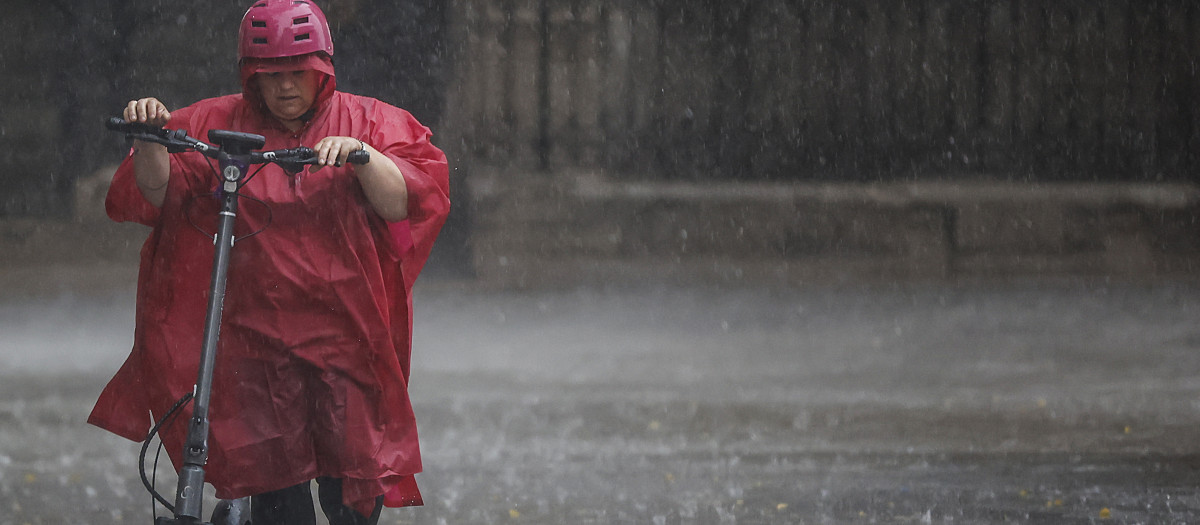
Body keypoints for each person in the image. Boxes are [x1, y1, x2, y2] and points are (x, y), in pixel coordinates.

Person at [87, 1, 450, 524]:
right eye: (270, 75)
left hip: (347, 342)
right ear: (249, 75)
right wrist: (149, 138)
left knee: (353, 499)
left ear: (323, 69)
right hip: (257, 348)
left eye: (297, 74)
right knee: (279, 506)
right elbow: (158, 191)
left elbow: (405, 202)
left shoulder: (372, 121)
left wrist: (363, 156)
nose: (284, 88)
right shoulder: (215, 123)